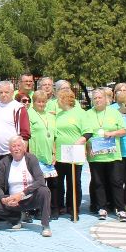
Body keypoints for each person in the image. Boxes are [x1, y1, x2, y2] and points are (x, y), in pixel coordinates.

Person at [0, 136, 52, 236]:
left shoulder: (31, 159)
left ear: (24, 147)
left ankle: (46, 225)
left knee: (44, 191)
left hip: (30, 198)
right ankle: (16, 218)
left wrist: (22, 194)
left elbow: (40, 181)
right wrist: (3, 198)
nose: (16, 148)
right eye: (13, 146)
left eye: (19, 146)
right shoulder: (4, 162)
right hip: (13, 201)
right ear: (10, 149)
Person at [52, 87, 87, 219]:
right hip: (60, 153)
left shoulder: (80, 113)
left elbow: (87, 132)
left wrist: (79, 142)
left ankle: (73, 208)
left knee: (74, 182)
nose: (57, 102)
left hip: (74, 152)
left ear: (64, 99)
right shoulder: (58, 115)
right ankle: (59, 206)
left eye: (58, 99)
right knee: (58, 182)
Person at [0, 80, 31, 176]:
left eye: (6, 92)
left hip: (13, 155)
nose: (3, 95)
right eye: (1, 92)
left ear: (12, 92)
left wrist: (21, 155)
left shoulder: (19, 108)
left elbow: (25, 134)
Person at [26, 89, 58, 217]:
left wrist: (54, 153)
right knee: (39, 184)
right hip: (36, 154)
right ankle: (39, 209)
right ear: (33, 102)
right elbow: (26, 135)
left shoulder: (51, 116)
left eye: (43, 102)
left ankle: (52, 209)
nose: (41, 104)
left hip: (49, 154)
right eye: (38, 102)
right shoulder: (29, 114)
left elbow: (54, 136)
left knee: (53, 183)